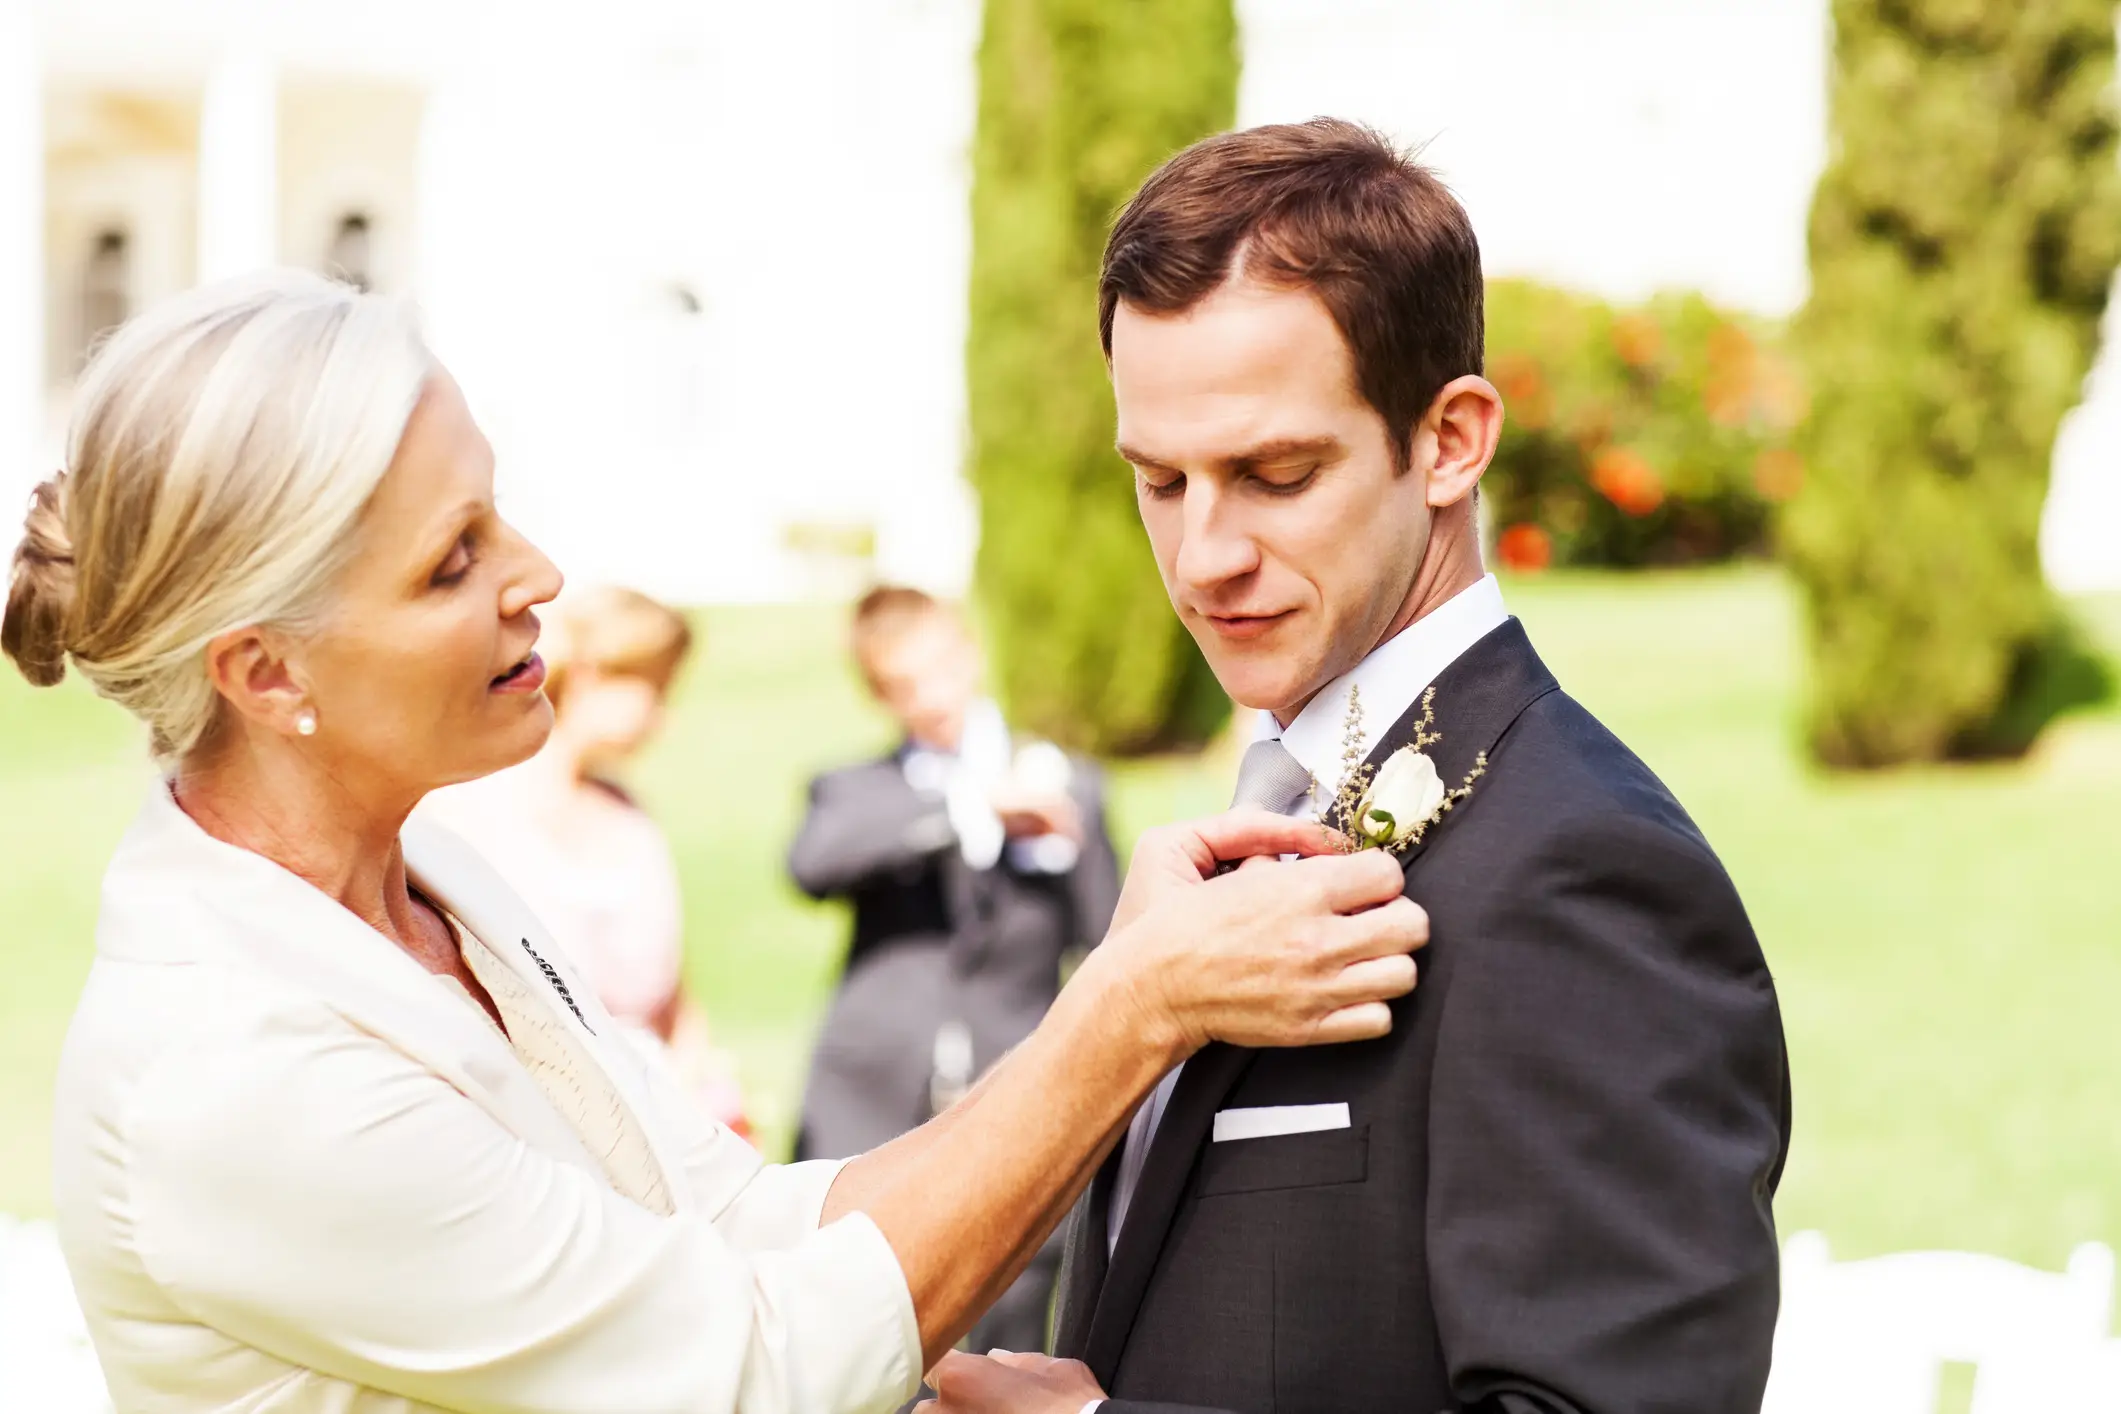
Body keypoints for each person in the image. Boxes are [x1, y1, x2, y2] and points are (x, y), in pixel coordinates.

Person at [3, 271, 1431, 1414]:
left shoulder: (431, 888)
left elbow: (740, 1222)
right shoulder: (233, 1075)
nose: (537, 575)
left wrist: (1122, 972)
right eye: (451, 560)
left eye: (495, 513)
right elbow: (755, 1372)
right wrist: (1135, 1013)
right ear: (267, 673)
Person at [924, 120, 1792, 1414]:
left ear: (1450, 440)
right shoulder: (1260, 816)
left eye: (1274, 474)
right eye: (1159, 481)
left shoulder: (1580, 872)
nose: (1203, 555)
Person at [789, 585, 1121, 1356]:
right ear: (877, 693)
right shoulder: (853, 792)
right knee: (861, 1329)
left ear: (969, 654)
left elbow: (1106, 937)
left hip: (1013, 1084)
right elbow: (813, 864)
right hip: (872, 1101)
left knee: (1015, 1318)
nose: (931, 699)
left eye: (940, 671)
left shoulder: (1065, 781)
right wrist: (972, 811)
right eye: (903, 685)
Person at [422, 584, 750, 1137]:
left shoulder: (628, 814)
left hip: (660, 1108)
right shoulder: (468, 813)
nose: (663, 717)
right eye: (654, 689)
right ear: (593, 675)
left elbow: (675, 995)